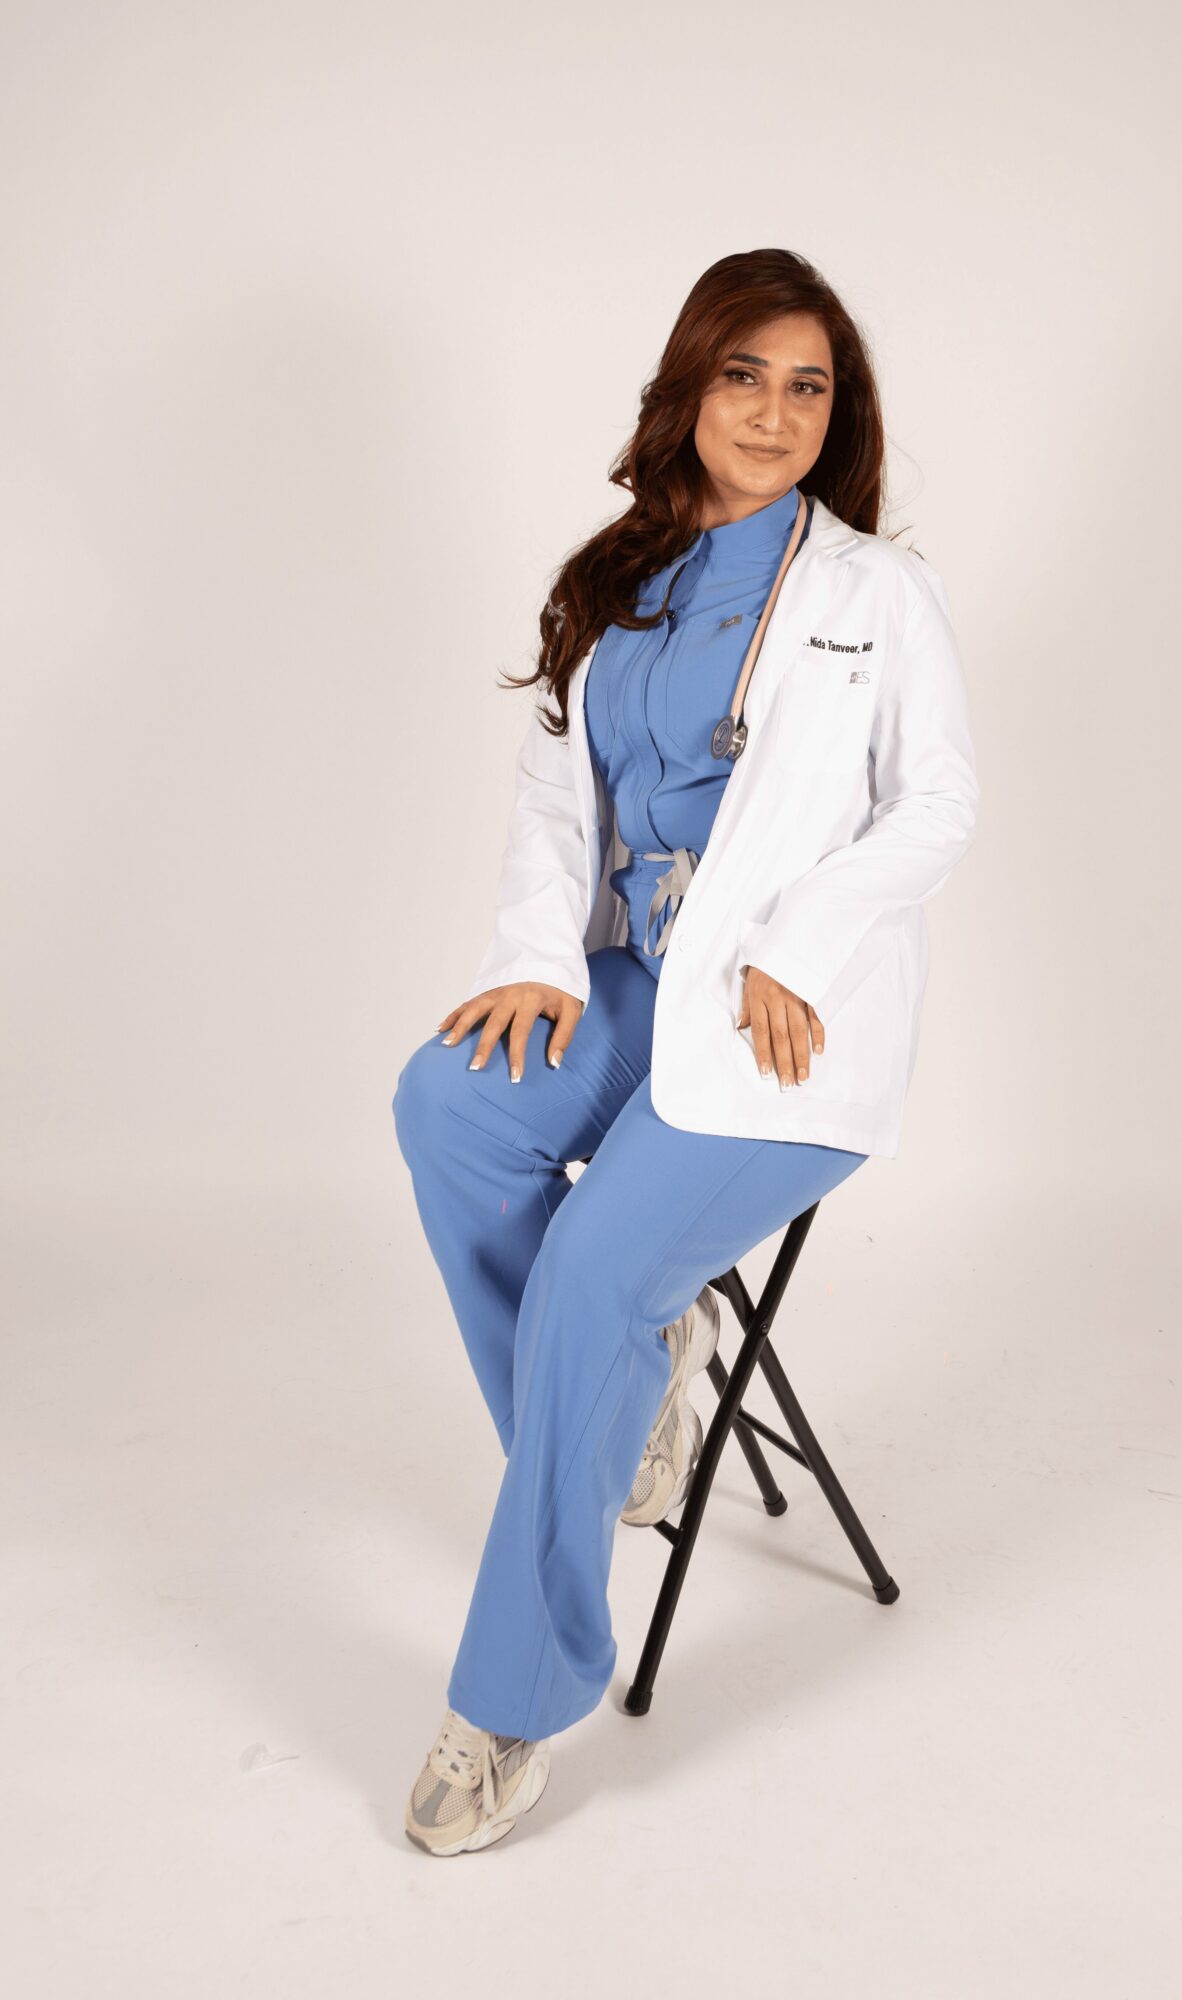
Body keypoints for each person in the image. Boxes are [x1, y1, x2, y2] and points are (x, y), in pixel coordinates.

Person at [391, 247, 979, 1855]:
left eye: (809, 386)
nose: (776, 411)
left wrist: (795, 948)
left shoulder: (875, 590)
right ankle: (625, 1410)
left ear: (833, 413)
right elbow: (549, 803)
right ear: (689, 385)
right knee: (448, 1099)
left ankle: (511, 1698)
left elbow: (934, 803)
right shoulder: (614, 572)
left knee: (589, 1266)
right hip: (636, 981)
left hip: (786, 1022)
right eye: (746, 375)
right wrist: (533, 966)